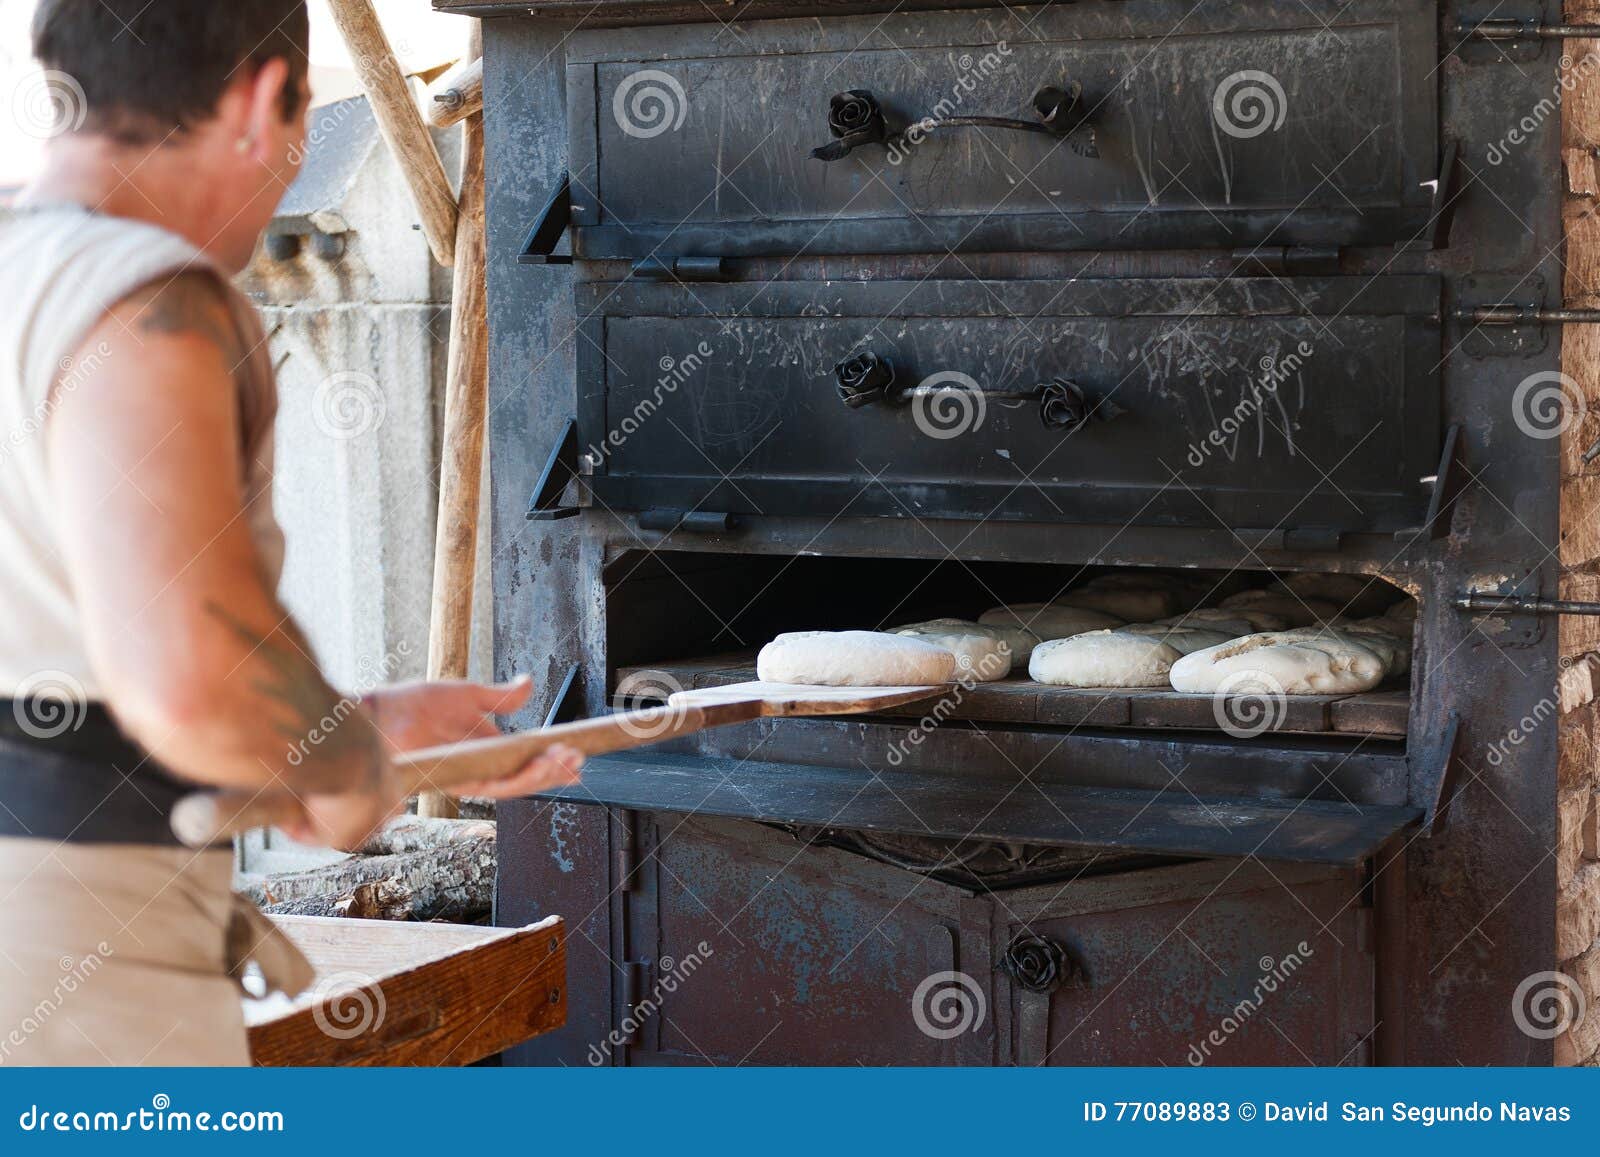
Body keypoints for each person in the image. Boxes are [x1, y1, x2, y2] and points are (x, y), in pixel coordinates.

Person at [0, 1, 583, 1065]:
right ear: (264, 100)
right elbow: (184, 680)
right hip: (72, 955)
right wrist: (342, 758)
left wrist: (347, 722)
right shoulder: (143, 303)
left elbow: (73, 674)